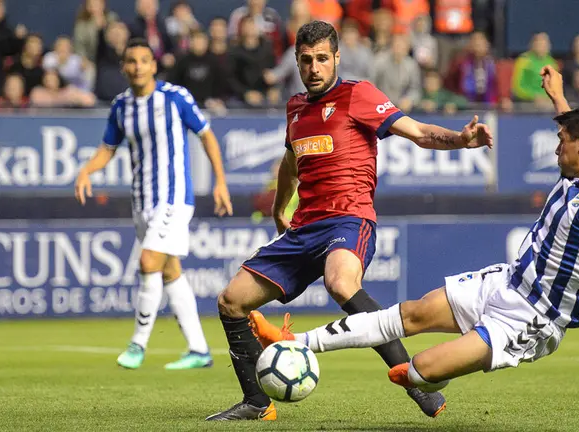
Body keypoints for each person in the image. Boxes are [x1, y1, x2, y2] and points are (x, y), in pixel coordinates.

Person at [249, 65, 579, 397]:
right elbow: (578, 128)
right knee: (411, 312)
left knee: (422, 370)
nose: (555, 148)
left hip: (534, 317)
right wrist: (557, 96)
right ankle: (294, 342)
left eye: (562, 141)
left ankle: (424, 378)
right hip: (507, 282)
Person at [206, 20, 493, 421]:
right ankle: (257, 402)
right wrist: (278, 206)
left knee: (341, 283)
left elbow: (418, 132)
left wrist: (460, 140)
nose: (314, 68)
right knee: (231, 302)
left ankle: (414, 381)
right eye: (306, 60)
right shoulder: (296, 108)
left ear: (337, 58)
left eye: (322, 59)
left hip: (348, 217)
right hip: (304, 226)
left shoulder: (359, 95)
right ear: (297, 61)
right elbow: (291, 163)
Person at [74, 38, 233, 370]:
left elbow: (206, 134)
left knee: (148, 262)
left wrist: (220, 180)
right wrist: (86, 171)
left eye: (143, 60)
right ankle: (199, 349)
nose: (137, 67)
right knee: (170, 270)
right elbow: (108, 147)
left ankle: (137, 345)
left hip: (173, 197)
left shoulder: (175, 98)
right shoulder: (121, 106)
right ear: (123, 67)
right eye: (130, 61)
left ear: (153, 65)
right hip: (142, 201)